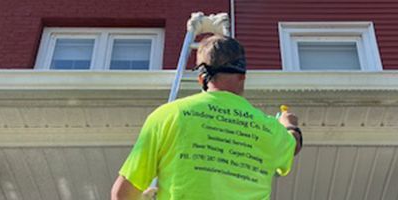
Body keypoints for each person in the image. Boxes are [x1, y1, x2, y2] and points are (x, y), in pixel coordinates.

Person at [111, 34, 303, 200]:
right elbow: (293, 145)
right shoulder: (269, 129)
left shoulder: (168, 115)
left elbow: (122, 194)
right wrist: (289, 125)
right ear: (243, 75)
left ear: (202, 78)